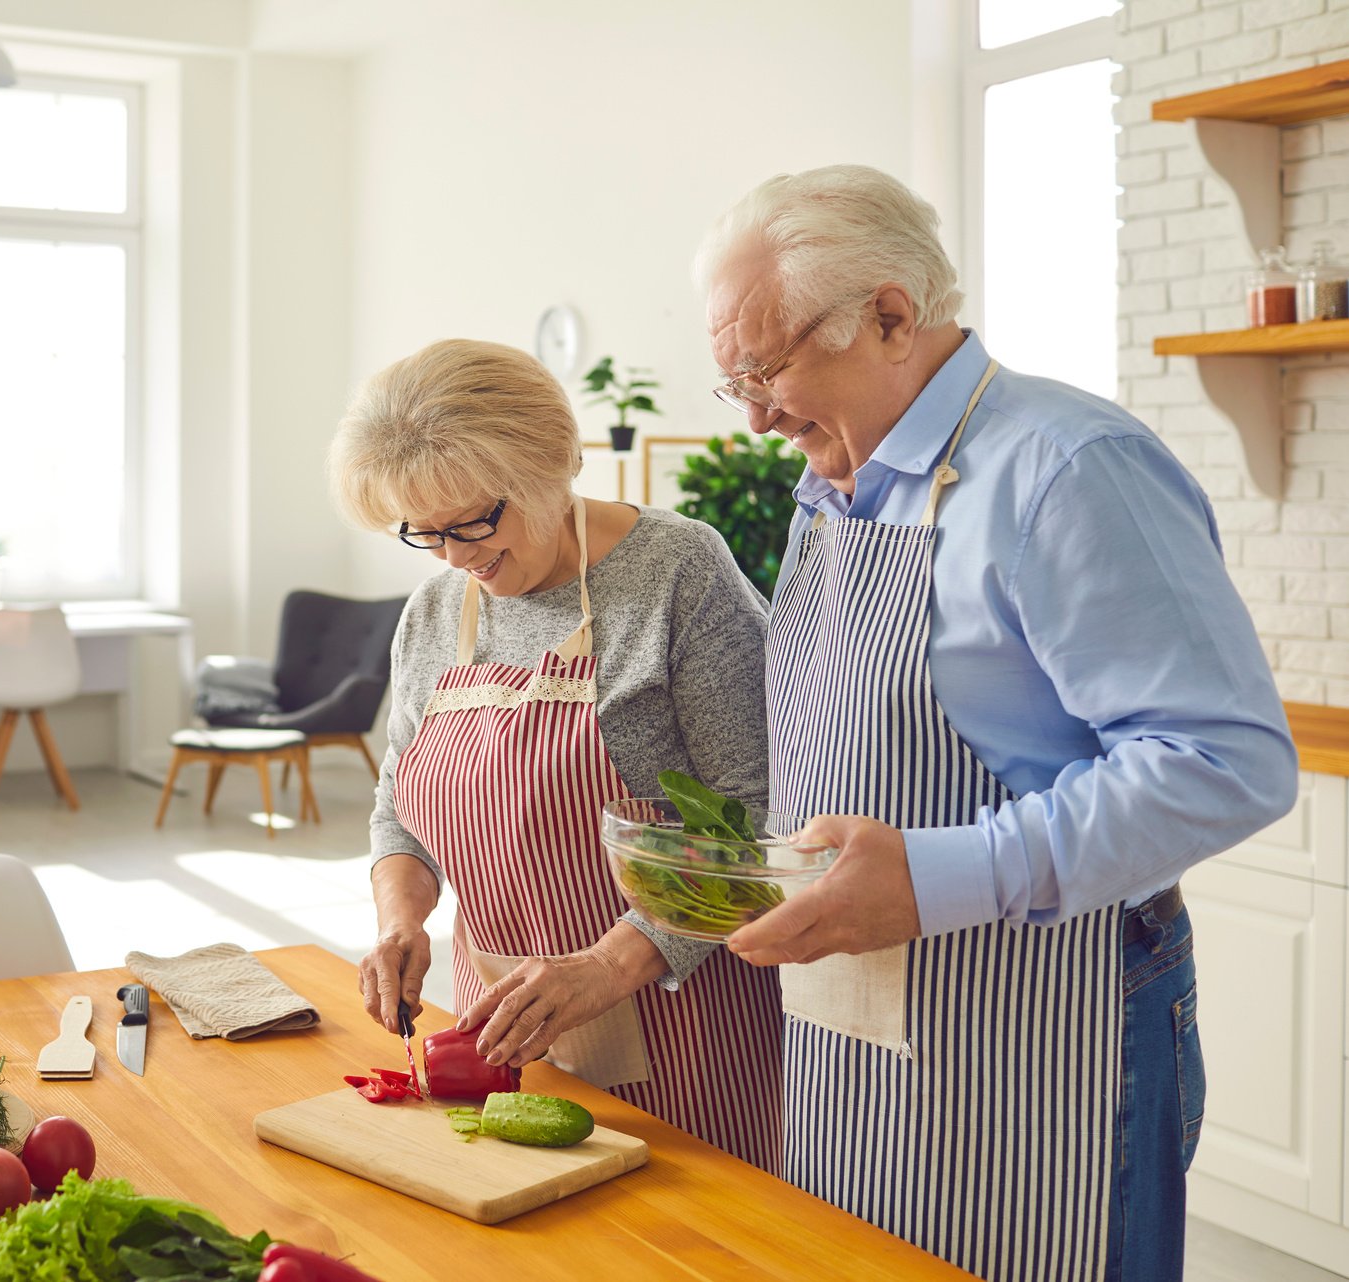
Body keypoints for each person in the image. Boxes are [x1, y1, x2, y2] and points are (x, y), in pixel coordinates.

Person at [690, 165, 1296, 1282]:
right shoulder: (840, 484)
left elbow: (1226, 762)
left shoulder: (1066, 467)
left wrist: (932, 877)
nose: (759, 415)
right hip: (859, 1019)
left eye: (768, 368)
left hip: (1050, 1014)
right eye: (735, 382)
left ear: (889, 316)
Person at [328, 338, 783, 1167]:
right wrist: (400, 920)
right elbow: (402, 803)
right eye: (424, 534)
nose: (457, 557)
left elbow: (753, 819)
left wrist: (606, 967)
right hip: (501, 1036)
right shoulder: (434, 611)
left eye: (473, 522)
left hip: (682, 1031)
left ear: (550, 464)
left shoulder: (676, 573)